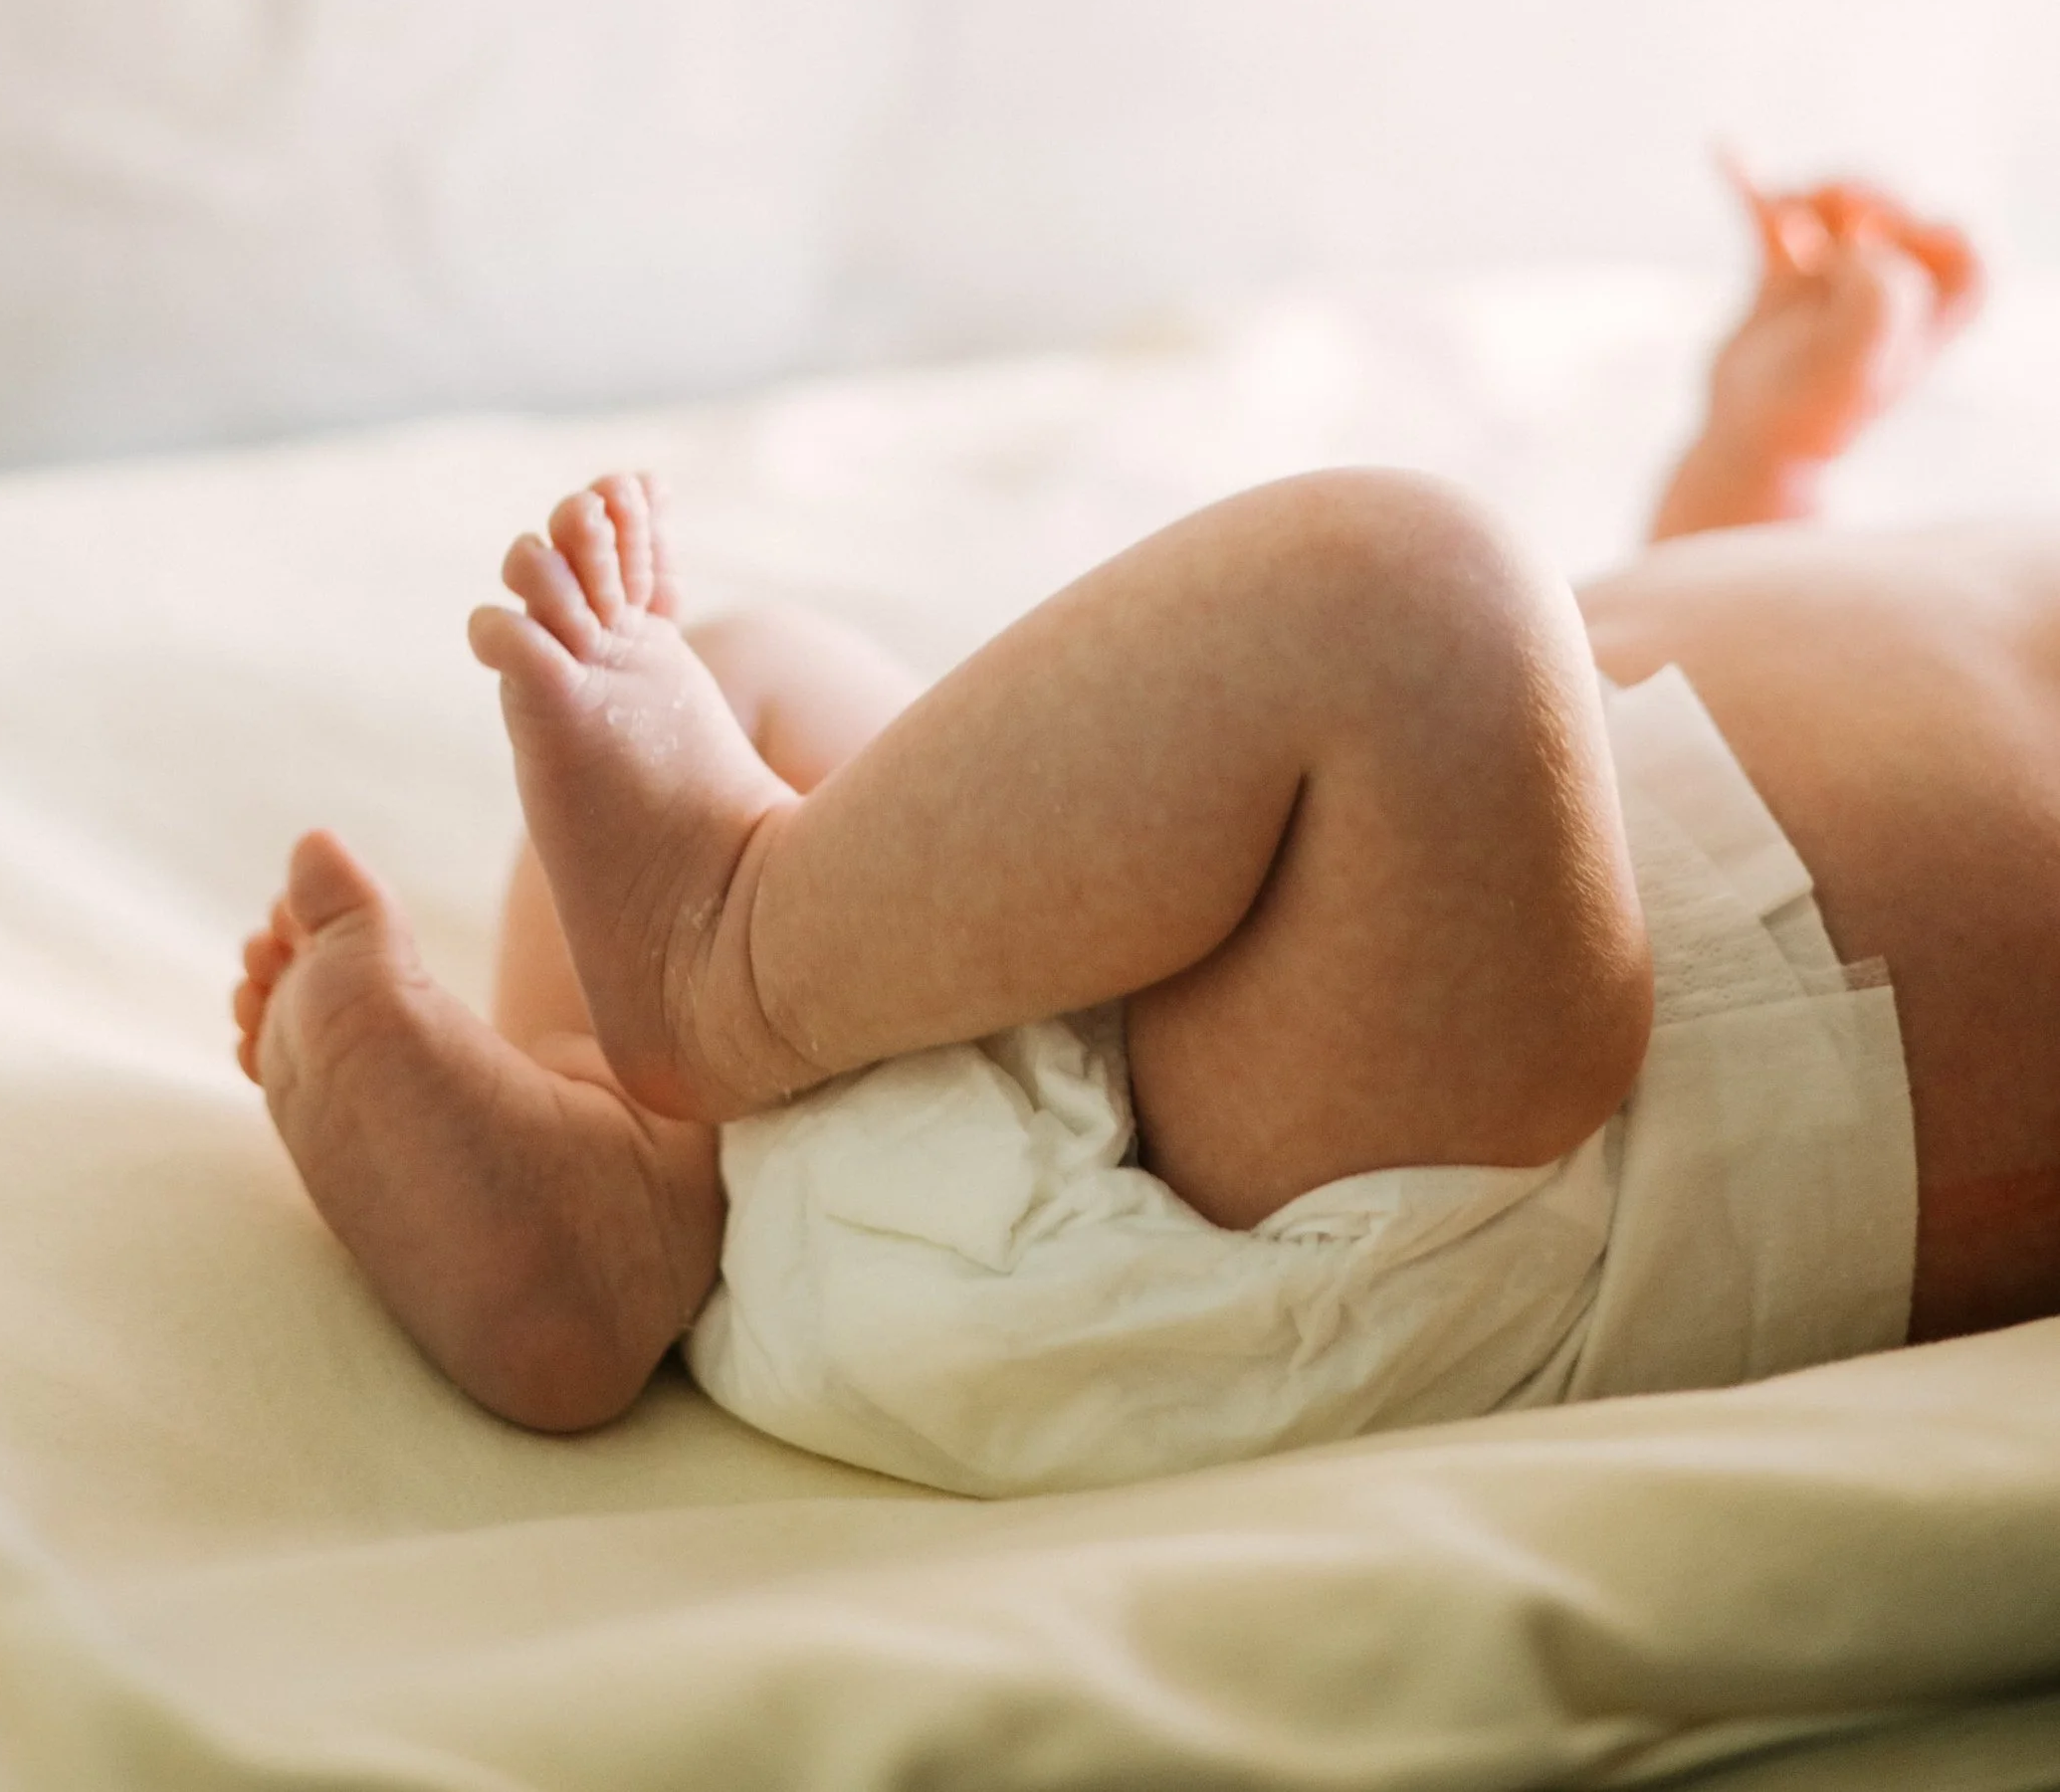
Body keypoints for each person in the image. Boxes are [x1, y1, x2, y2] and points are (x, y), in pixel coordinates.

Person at [234, 172, 2049, 1494]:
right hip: (1184, 983)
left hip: (1483, 1176)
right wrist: (1770, 459)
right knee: (769, 674)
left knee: (1413, 604)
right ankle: (623, 1176)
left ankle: (725, 962)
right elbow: (1686, 665)